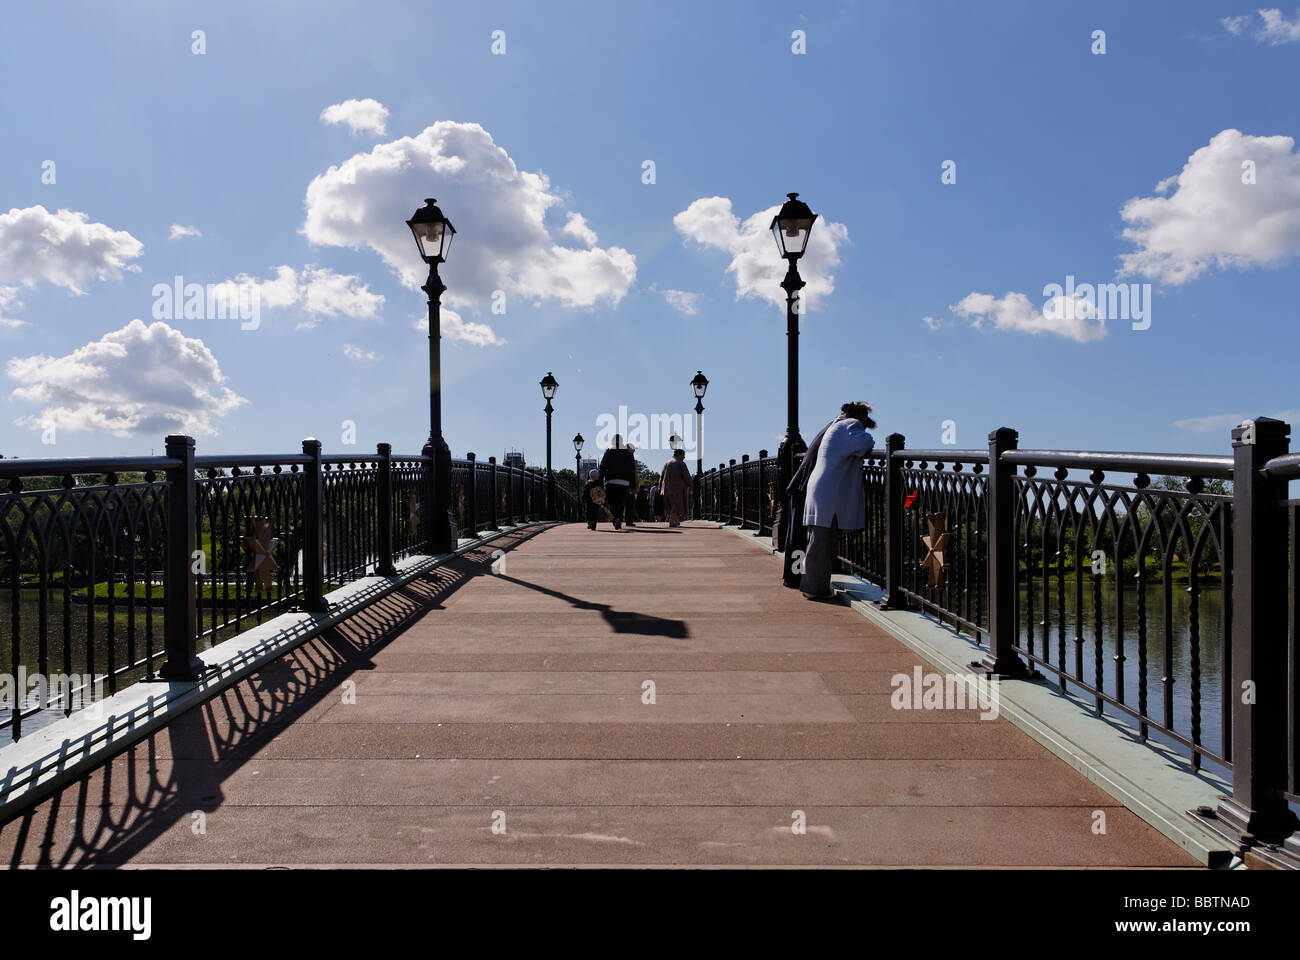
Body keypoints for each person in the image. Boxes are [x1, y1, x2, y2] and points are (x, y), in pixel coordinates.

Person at [787, 401, 876, 599]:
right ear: (860, 417)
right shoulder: (850, 425)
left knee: (817, 541)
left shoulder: (835, 426)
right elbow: (865, 444)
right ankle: (814, 589)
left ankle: (811, 586)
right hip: (828, 493)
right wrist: (867, 435)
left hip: (820, 489)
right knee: (821, 543)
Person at [599, 434, 638, 530]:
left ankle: (616, 517)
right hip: (624, 482)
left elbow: (603, 467)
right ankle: (619, 518)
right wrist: (632, 485)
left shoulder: (609, 451)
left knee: (612, 502)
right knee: (621, 502)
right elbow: (632, 470)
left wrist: (600, 481)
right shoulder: (628, 453)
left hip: (611, 481)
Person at [659, 448, 693, 526]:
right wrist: (691, 486)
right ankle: (672, 521)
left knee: (670, 506)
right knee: (676, 505)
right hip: (677, 488)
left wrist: (660, 487)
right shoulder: (681, 463)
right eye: (683, 455)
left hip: (666, 488)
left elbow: (661, 476)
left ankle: (675, 520)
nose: (684, 457)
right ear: (680, 454)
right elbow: (686, 476)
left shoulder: (667, 463)